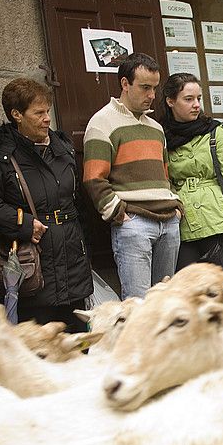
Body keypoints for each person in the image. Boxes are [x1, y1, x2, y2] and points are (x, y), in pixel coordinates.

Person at [0, 78, 92, 329]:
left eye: (47, 111)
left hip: (72, 256)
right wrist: (24, 223)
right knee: (40, 340)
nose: (47, 118)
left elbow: (77, 200)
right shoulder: (0, 156)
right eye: (39, 113)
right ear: (17, 115)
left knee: (76, 339)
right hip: (32, 261)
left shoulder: (63, 148)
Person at [83, 52, 182, 298]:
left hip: (169, 222)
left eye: (154, 88)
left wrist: (177, 207)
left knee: (165, 305)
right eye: (145, 87)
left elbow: (164, 174)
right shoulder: (102, 122)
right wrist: (120, 214)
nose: (152, 96)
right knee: (137, 308)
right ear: (125, 84)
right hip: (134, 224)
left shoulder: (156, 128)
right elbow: (93, 178)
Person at [156, 73, 223, 271]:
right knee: (187, 291)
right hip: (182, 223)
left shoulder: (214, 131)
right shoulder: (161, 135)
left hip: (217, 221)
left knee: (220, 290)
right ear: (170, 101)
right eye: (189, 99)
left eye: (199, 99)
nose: (196, 105)